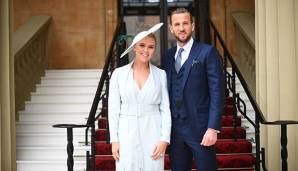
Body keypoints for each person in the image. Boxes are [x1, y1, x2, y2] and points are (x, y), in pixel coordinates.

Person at [163, 8, 224, 171]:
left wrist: (213, 128)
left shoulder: (207, 52)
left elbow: (217, 92)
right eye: (177, 24)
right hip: (175, 130)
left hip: (201, 128)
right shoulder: (168, 56)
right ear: (171, 28)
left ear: (193, 25)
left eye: (185, 23)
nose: (181, 28)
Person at [108, 23, 171, 171]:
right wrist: (114, 140)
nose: (146, 50)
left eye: (151, 47)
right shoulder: (118, 74)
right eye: (142, 45)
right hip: (126, 132)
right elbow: (113, 110)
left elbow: (165, 109)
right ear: (135, 47)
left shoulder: (161, 75)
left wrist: (164, 139)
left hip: (153, 131)